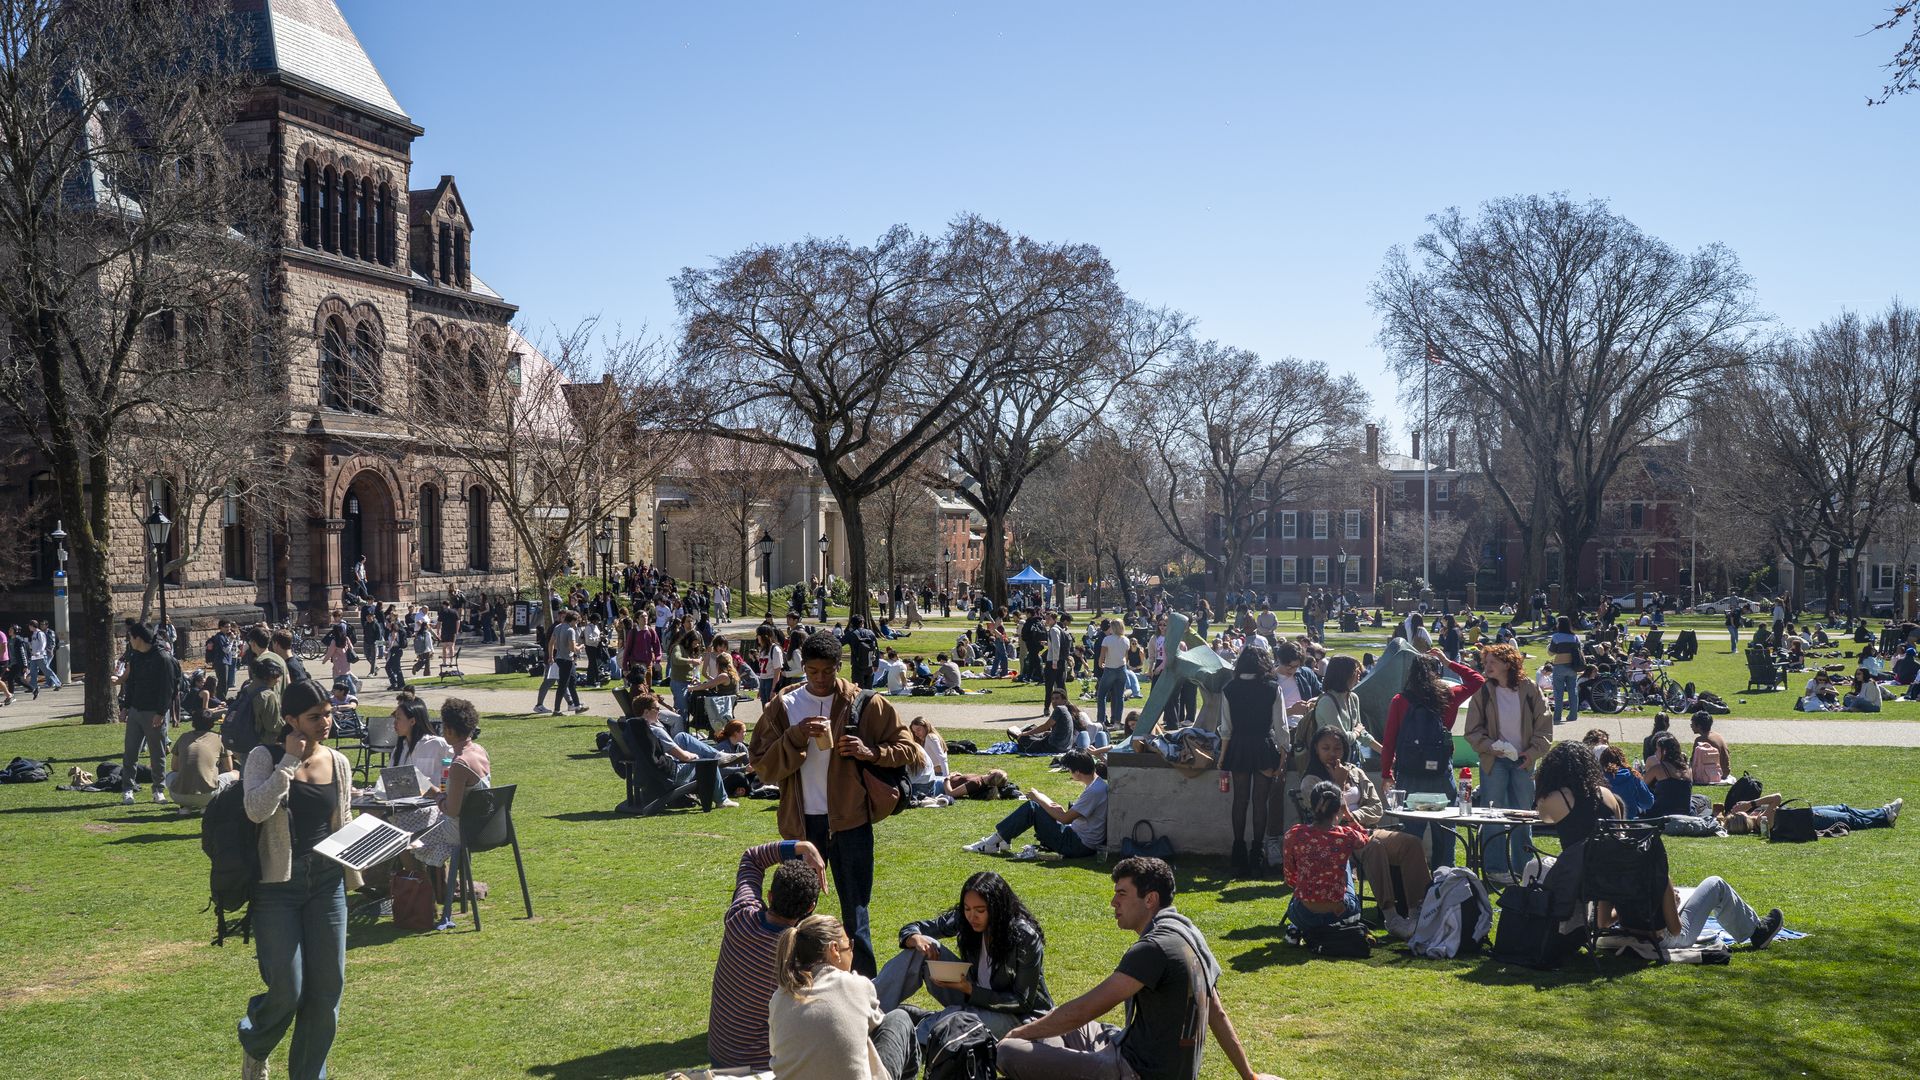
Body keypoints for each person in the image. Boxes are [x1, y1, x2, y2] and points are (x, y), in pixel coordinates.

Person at [997, 856, 1279, 1080]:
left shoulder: (1153, 948)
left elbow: (1086, 1008)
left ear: (1150, 899)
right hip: (1157, 1063)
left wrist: (1020, 1034)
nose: (1113, 903)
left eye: (1122, 893)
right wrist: (1249, 1075)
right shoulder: (1188, 934)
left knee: (1009, 1051)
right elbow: (1216, 1012)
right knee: (1058, 1026)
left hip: (1133, 1071)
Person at [749, 631, 919, 976]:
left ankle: (866, 989)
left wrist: (871, 752)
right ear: (803, 668)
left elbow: (909, 749)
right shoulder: (784, 706)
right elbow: (762, 765)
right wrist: (795, 736)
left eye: (827, 671)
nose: (821, 679)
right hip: (801, 826)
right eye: (812, 672)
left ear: (838, 666)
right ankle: (800, 986)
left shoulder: (865, 703)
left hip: (850, 822)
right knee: (797, 913)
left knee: (856, 911)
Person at [238, 678, 356, 1080]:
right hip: (277, 887)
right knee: (288, 989)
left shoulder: (338, 762)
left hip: (327, 882)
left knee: (326, 992)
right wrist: (288, 763)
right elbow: (255, 809)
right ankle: (256, 1043)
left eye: (328, 713)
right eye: (314, 716)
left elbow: (343, 823)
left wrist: (368, 850)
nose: (325, 722)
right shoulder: (263, 756)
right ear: (290, 720)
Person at [874, 871, 1052, 1042]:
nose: (971, 916)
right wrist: (915, 938)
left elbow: (1023, 1002)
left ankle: (903, 1035)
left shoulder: (1024, 937)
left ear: (997, 909)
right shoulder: (964, 919)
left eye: (980, 910)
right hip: (970, 995)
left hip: (1015, 1017)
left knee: (950, 1023)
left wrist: (969, 990)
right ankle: (867, 1011)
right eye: (967, 908)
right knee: (923, 945)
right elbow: (914, 928)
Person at [707, 840, 828, 1071]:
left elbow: (752, 858)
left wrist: (803, 846)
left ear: (770, 896)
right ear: (810, 907)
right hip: (760, 1068)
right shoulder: (799, 958)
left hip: (719, 1053)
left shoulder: (740, 916)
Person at [768, 914, 919, 1080]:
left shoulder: (779, 997)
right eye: (850, 945)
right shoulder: (856, 985)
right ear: (834, 949)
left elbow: (777, 1051)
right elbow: (876, 1027)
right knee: (899, 1018)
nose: (852, 953)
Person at [1382, 648, 1485, 868]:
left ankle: (1412, 884)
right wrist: (1448, 661)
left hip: (1410, 774)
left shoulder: (1400, 700)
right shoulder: (1449, 696)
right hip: (1441, 772)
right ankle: (1445, 878)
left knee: (1411, 835)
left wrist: (1385, 774)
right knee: (1445, 832)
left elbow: (1389, 741)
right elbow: (1477, 680)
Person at [1461, 642, 1552, 884]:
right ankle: (1495, 869)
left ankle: (1525, 869)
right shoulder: (1483, 692)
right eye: (1485, 662)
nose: (1486, 666)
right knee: (1494, 815)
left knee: (1523, 816)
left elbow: (1544, 728)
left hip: (1523, 761)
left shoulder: (1530, 689)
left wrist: (1531, 754)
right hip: (1495, 761)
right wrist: (1490, 747)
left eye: (1492, 662)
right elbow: (1472, 730)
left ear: (1508, 664)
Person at [966, 749, 1107, 861]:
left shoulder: (1094, 791)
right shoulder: (1098, 784)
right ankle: (1002, 840)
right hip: (1079, 838)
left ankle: (991, 843)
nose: (1070, 773)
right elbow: (1074, 817)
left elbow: (1065, 819)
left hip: (1078, 845)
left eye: (1069, 770)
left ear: (1077, 771)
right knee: (1039, 806)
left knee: (1032, 807)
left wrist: (1038, 798)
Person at [410, 698, 493, 883]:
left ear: (448, 730)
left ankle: (428, 890)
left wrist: (435, 793)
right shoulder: (480, 750)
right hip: (485, 826)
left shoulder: (460, 764)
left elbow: (452, 810)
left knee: (411, 838)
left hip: (461, 831)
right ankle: (444, 887)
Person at [1217, 646, 1281, 876]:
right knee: (1260, 802)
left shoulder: (1230, 688)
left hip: (1239, 745)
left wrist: (1223, 757)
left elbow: (1226, 728)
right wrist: (1283, 754)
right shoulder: (1272, 688)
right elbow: (1281, 727)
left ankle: (1238, 851)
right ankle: (1257, 852)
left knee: (1240, 800)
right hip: (1263, 745)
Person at [1283, 780, 1369, 929]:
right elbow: (1364, 837)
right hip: (1338, 912)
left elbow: (1291, 879)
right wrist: (1348, 815)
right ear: (1338, 809)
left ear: (1311, 804)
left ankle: (1297, 928)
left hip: (1304, 913)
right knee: (1345, 860)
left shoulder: (1295, 834)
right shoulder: (1346, 836)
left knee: (1300, 892)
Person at [116, 622, 180, 805]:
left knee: (157, 753)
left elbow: (168, 689)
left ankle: (158, 790)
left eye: (130, 637)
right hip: (136, 710)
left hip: (154, 713)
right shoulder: (136, 656)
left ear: (138, 638)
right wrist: (126, 708)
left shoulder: (162, 658)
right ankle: (127, 789)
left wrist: (161, 712)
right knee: (130, 752)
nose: (129, 641)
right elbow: (132, 684)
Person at [1718, 793, 1902, 835]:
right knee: (1850, 820)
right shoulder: (1764, 820)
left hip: (1809, 814)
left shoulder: (1760, 825)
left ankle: (1883, 811)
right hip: (1813, 819)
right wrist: (1750, 803)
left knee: (1844, 808)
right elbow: (1777, 797)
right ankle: (1884, 817)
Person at [166, 705, 237, 813]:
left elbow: (174, 767)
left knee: (170, 775)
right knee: (235, 773)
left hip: (178, 795)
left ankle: (185, 807)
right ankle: (208, 805)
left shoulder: (184, 737)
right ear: (212, 723)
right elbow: (229, 767)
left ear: (193, 723)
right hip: (208, 794)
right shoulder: (219, 738)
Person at [1642, 731, 1694, 817]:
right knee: (1701, 799)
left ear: (1664, 751)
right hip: (1685, 812)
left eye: (1657, 750)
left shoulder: (1658, 768)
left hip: (1662, 813)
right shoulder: (1688, 769)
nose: (1655, 753)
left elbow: (1642, 786)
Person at [1599, 745, 1655, 818]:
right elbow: (1648, 803)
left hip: (1607, 824)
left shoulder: (1598, 779)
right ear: (1622, 760)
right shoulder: (1633, 776)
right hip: (1629, 823)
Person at [1546, 616, 1583, 725]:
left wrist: (1549, 646)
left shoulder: (1556, 637)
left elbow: (1551, 652)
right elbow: (1580, 649)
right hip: (1572, 667)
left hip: (1559, 666)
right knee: (1573, 691)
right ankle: (1573, 715)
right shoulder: (1574, 637)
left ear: (1559, 624)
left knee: (1558, 692)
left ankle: (1557, 716)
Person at [1094, 618, 1130, 731]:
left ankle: (1101, 721)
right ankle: (1117, 722)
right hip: (1122, 669)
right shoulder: (1126, 640)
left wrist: (1100, 664)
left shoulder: (1107, 639)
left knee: (1101, 695)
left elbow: (1102, 655)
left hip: (1110, 669)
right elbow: (1126, 656)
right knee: (1119, 697)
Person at [907, 717, 949, 800]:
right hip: (934, 774)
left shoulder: (930, 737)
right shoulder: (925, 738)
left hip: (938, 774)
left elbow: (942, 758)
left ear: (926, 727)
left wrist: (946, 777)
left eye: (919, 730)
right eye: (914, 731)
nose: (916, 733)